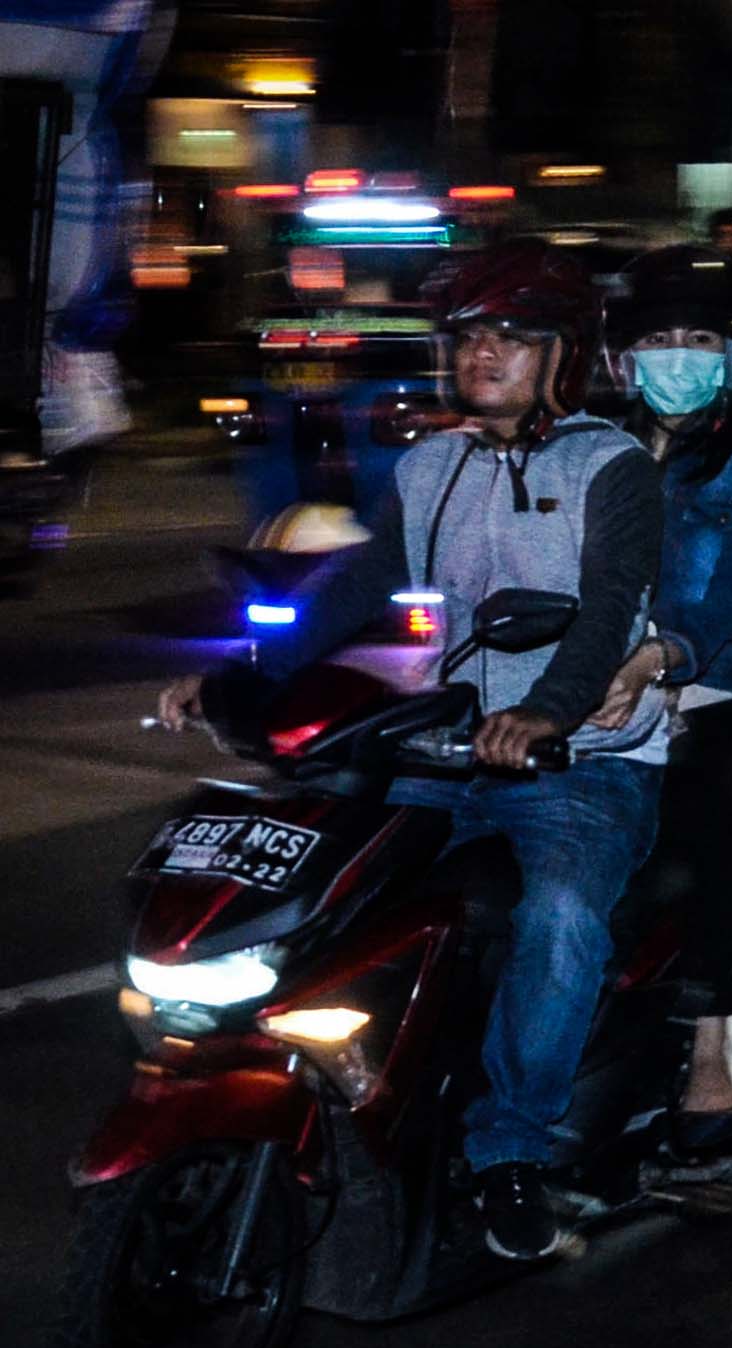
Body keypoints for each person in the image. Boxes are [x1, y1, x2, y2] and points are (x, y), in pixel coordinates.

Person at [159, 238, 668, 1261]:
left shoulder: (609, 467)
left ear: (564, 355)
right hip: (439, 750)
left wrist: (548, 714)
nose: (484, 353)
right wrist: (236, 677)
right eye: (470, 336)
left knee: (561, 915)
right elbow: (351, 591)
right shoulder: (431, 465)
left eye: (512, 336)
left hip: (580, 763)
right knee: (317, 873)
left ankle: (510, 1148)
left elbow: (607, 611)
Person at [589, 244, 732, 1156]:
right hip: (594, 691)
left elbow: (731, 597)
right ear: (623, 359)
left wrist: (655, 662)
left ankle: (714, 1049)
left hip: (724, 692)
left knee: (703, 821)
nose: (679, 355)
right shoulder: (587, 453)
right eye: (660, 338)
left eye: (700, 338)